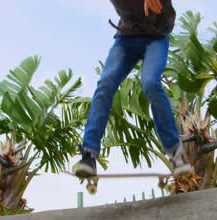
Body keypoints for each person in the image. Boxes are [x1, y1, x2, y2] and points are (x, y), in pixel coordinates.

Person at [74, 0, 193, 178]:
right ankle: (88, 154)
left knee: (151, 83)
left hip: (156, 37)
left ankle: (175, 153)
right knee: (106, 83)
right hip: (126, 38)